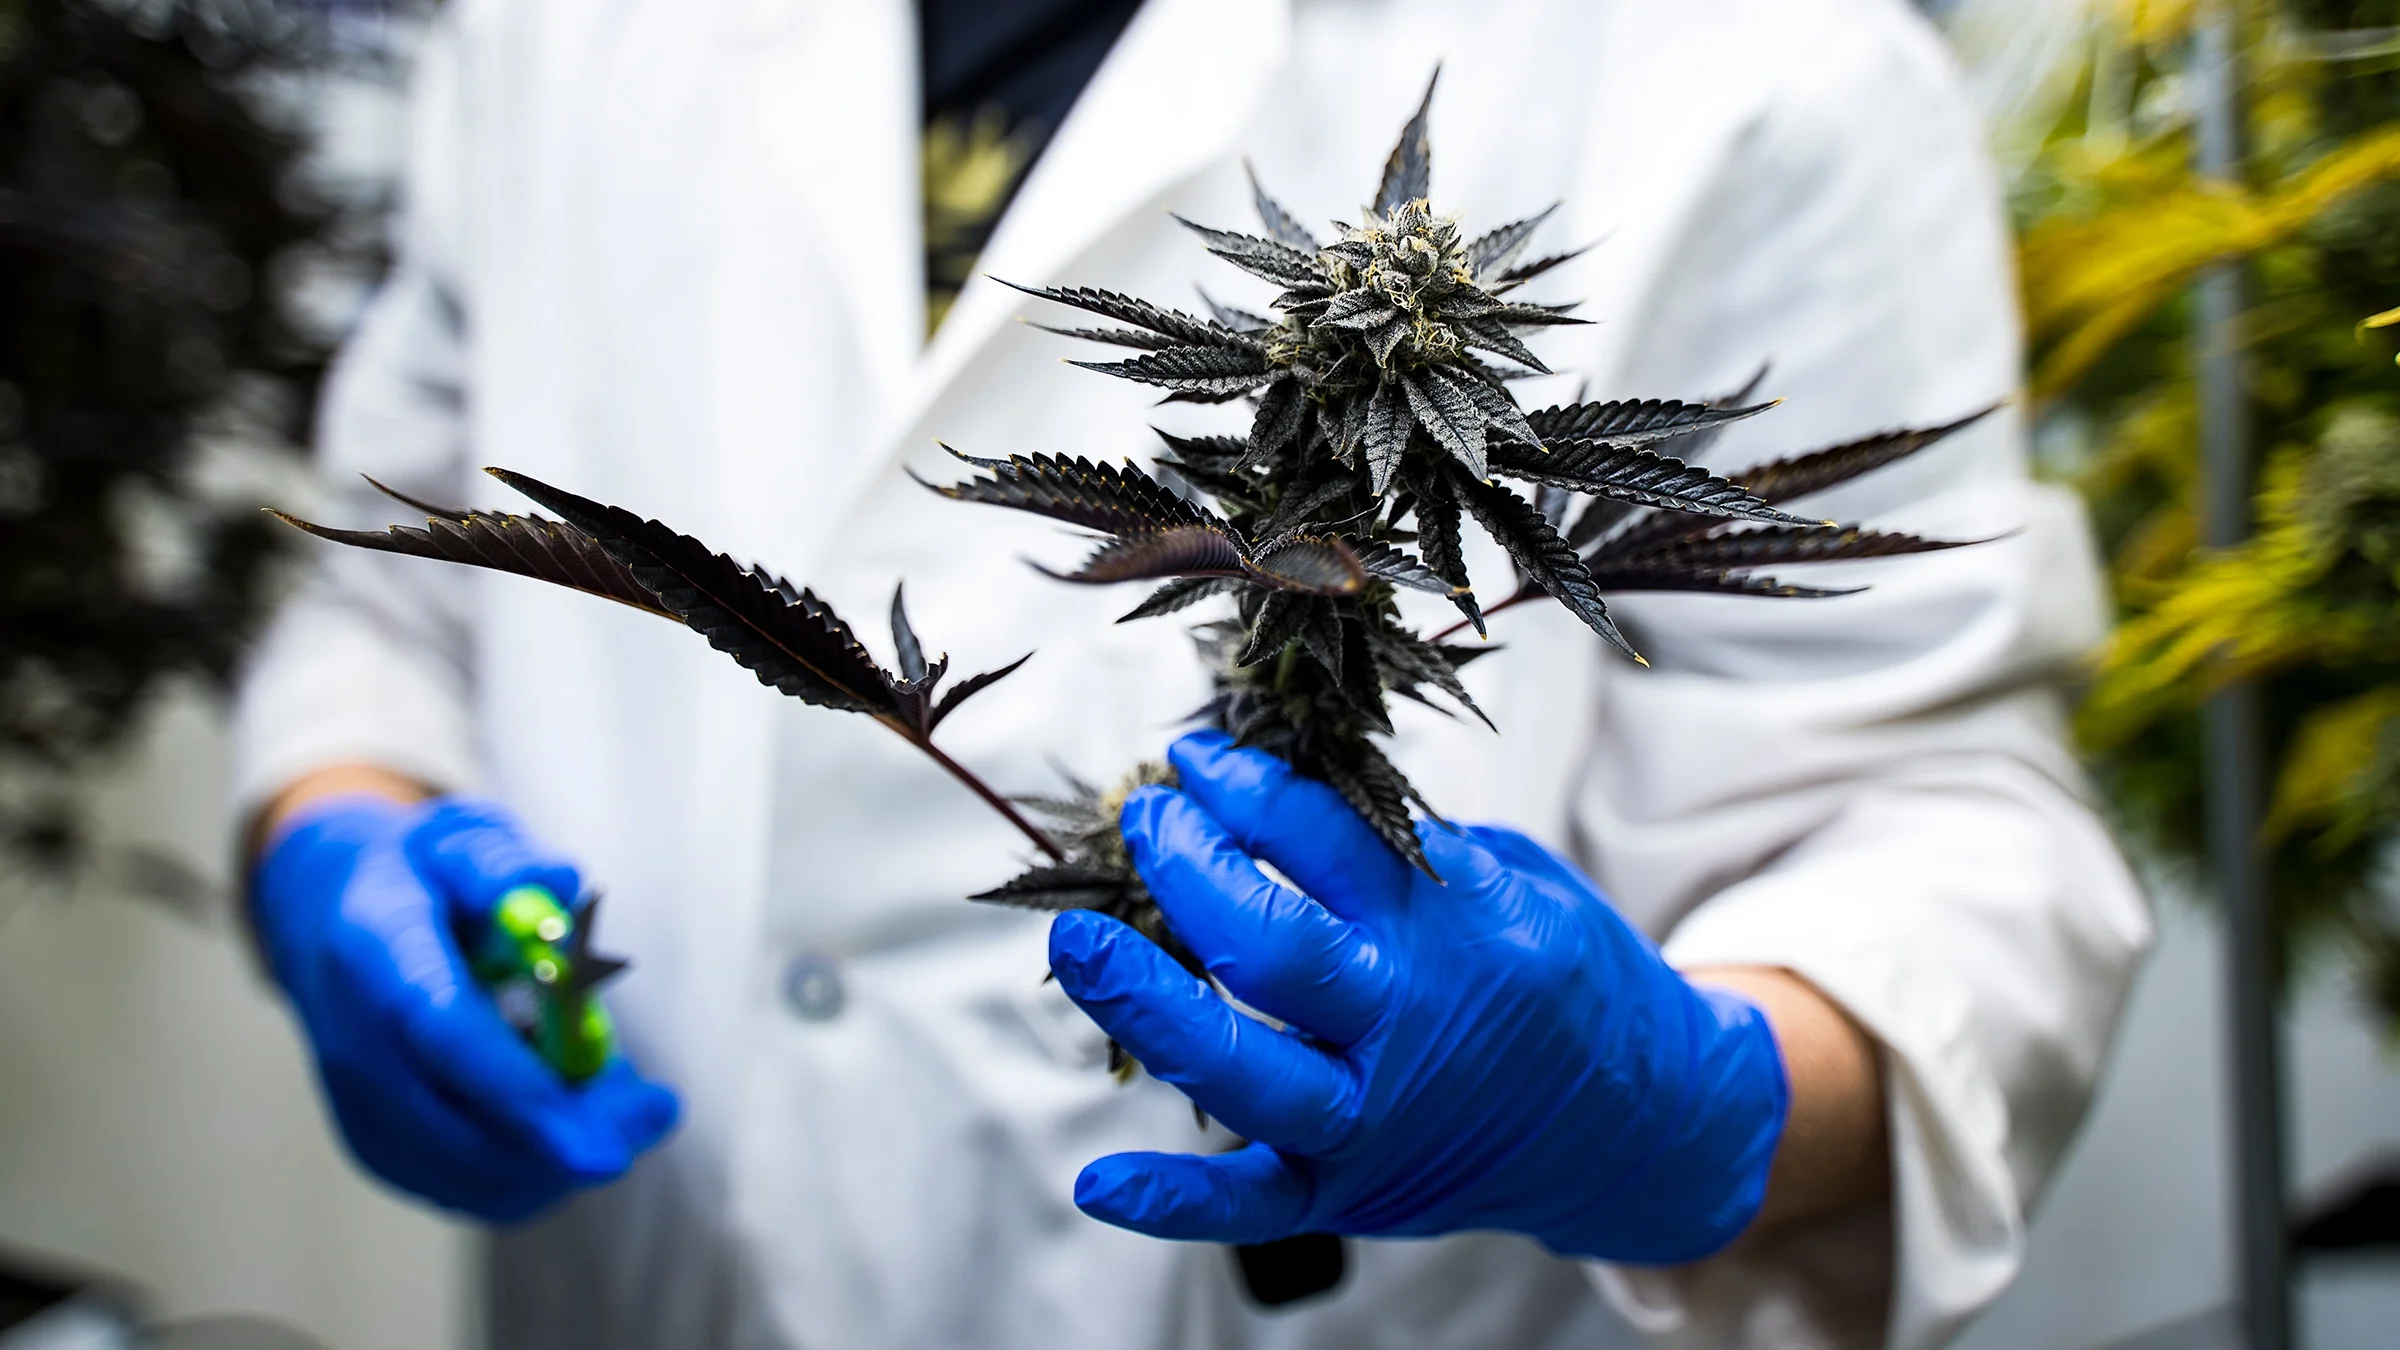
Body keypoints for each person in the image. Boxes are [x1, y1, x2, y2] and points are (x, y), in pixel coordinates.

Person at [234, 0, 2151, 1347]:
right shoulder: (548, 26)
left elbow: (1951, 826)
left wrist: (1697, 1095)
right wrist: (343, 831)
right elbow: (392, 583)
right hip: (637, 1276)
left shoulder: (1758, 55)